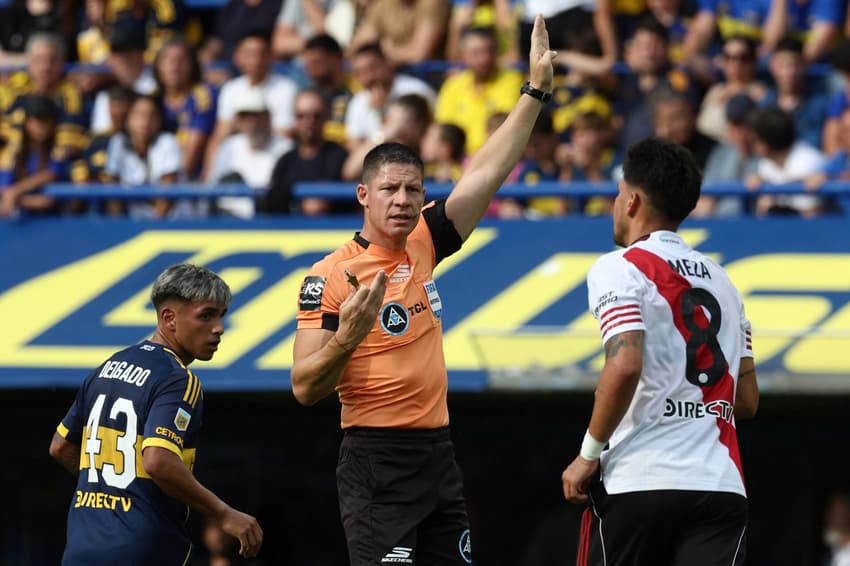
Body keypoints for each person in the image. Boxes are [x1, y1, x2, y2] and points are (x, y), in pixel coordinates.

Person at [291, 15, 555, 566]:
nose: (403, 200)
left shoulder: (422, 244)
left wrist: (533, 92)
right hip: (375, 460)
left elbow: (485, 173)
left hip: (437, 454)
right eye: (389, 189)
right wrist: (347, 340)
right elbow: (304, 388)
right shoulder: (330, 276)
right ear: (364, 194)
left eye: (413, 189)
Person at [561, 137, 759, 566]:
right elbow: (745, 401)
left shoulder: (619, 266)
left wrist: (587, 455)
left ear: (631, 201)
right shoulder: (725, 282)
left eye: (618, 195)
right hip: (719, 485)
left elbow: (625, 363)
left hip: (639, 480)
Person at [49, 263, 263, 564]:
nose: (219, 328)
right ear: (169, 318)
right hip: (143, 550)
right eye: (206, 315)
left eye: (220, 315)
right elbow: (159, 460)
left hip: (81, 549)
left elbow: (61, 446)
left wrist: (111, 490)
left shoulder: (108, 367)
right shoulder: (178, 379)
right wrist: (223, 513)